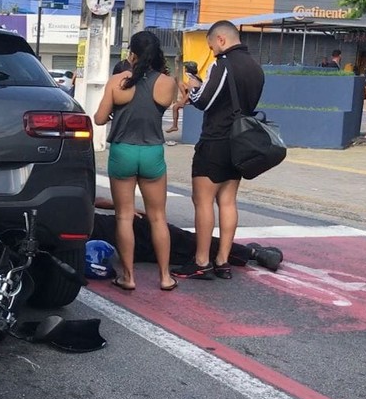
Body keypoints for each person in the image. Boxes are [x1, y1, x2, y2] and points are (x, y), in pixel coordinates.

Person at [175, 20, 264, 281]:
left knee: (202, 201)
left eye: (211, 44)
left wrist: (192, 89)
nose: (212, 50)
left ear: (222, 40)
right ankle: (223, 260)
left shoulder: (223, 64)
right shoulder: (256, 68)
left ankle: (201, 261)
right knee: (227, 201)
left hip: (215, 141)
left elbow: (204, 101)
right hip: (239, 144)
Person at [94, 30, 179, 291]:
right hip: (152, 152)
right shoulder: (167, 82)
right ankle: (165, 277)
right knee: (157, 217)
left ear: (131, 54)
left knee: (123, 217)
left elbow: (98, 118)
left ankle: (128, 277)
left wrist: (115, 115)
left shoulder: (118, 81)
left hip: (123, 152)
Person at [92, 197, 283, 272]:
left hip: (120, 245)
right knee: (186, 242)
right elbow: (94, 199)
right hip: (127, 231)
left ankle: (249, 253)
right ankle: (251, 253)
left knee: (181, 250)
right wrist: (123, 208)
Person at [166, 61, 202, 133]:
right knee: (180, 83)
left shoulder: (193, 80)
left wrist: (183, 101)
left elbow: (191, 93)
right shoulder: (196, 77)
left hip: (193, 99)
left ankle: (175, 126)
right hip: (193, 96)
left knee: (175, 107)